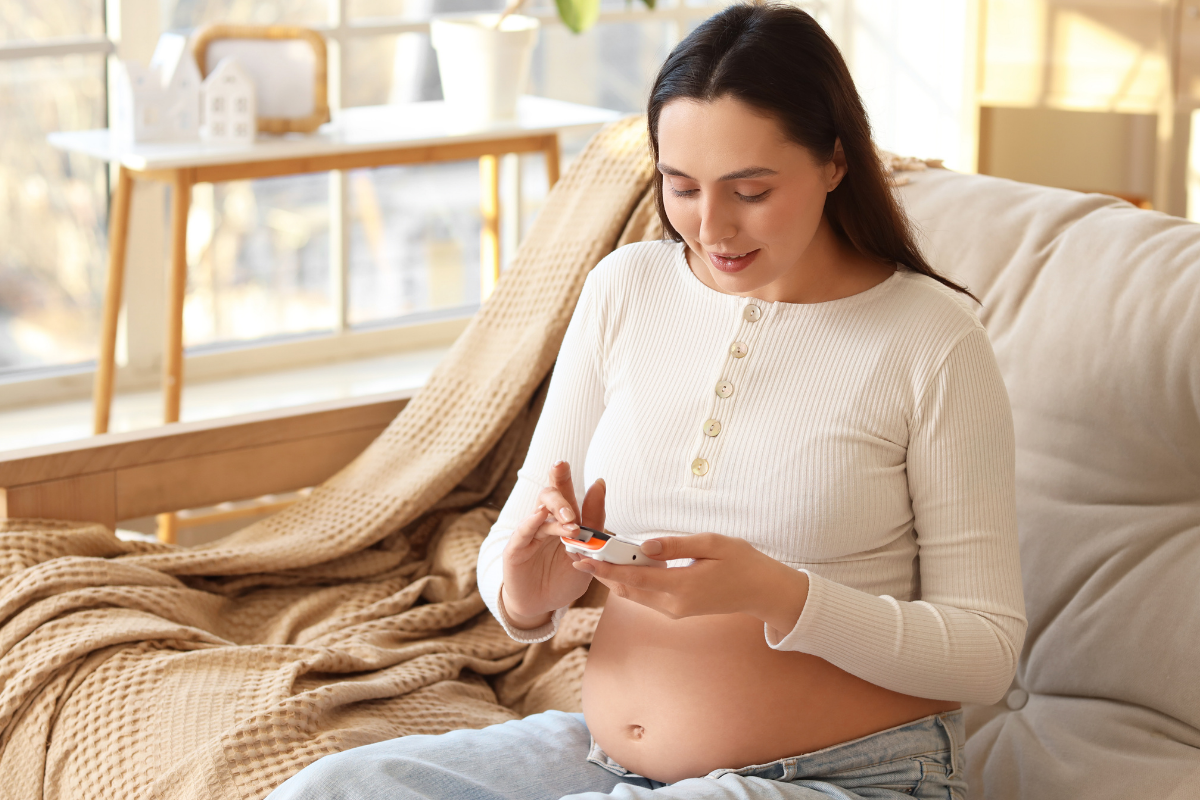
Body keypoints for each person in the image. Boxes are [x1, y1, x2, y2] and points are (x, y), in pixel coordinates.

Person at [268, 4, 1026, 798]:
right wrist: (534, 583)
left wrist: (779, 593)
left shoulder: (933, 341)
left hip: (850, 776)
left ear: (835, 161)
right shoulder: (625, 288)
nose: (712, 226)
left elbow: (985, 652)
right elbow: (523, 549)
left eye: (751, 190)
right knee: (332, 790)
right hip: (609, 762)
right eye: (681, 186)